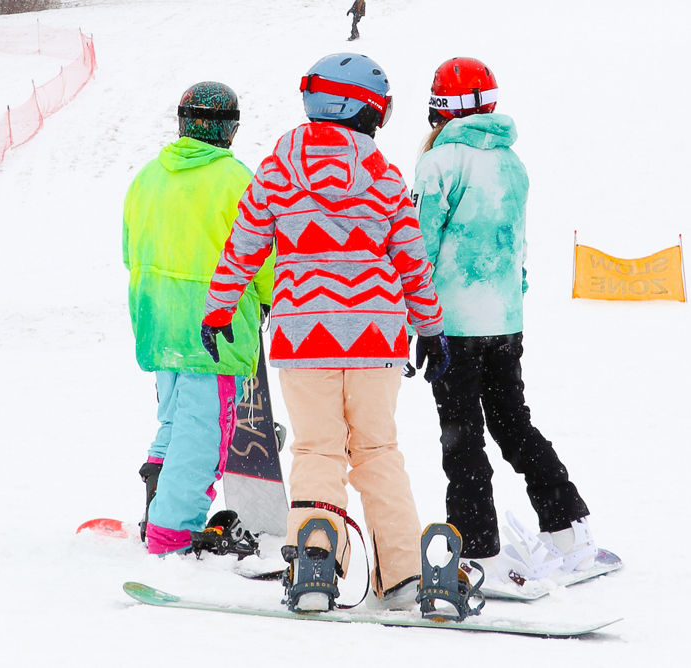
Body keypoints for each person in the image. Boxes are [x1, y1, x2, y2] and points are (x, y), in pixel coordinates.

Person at [201, 53, 448, 612]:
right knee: (378, 450)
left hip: (303, 337)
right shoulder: (383, 176)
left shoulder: (276, 171)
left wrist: (218, 311)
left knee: (317, 448)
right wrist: (430, 329)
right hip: (376, 340)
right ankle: (406, 575)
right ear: (364, 108)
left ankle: (314, 562)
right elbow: (412, 260)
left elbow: (241, 248)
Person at [411, 57, 596, 590]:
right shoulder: (512, 161)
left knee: (463, 437)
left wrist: (414, 321)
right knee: (512, 423)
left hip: (452, 325)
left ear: (439, 105)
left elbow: (418, 247)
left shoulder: (441, 162)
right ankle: (568, 527)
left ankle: (477, 551)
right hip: (505, 319)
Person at [122, 81, 274, 556]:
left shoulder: (148, 176)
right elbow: (263, 251)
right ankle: (173, 531)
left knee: (174, 416)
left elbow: (131, 251)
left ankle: (158, 495)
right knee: (204, 431)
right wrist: (269, 300)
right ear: (229, 129)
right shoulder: (236, 179)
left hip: (156, 319)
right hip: (213, 326)